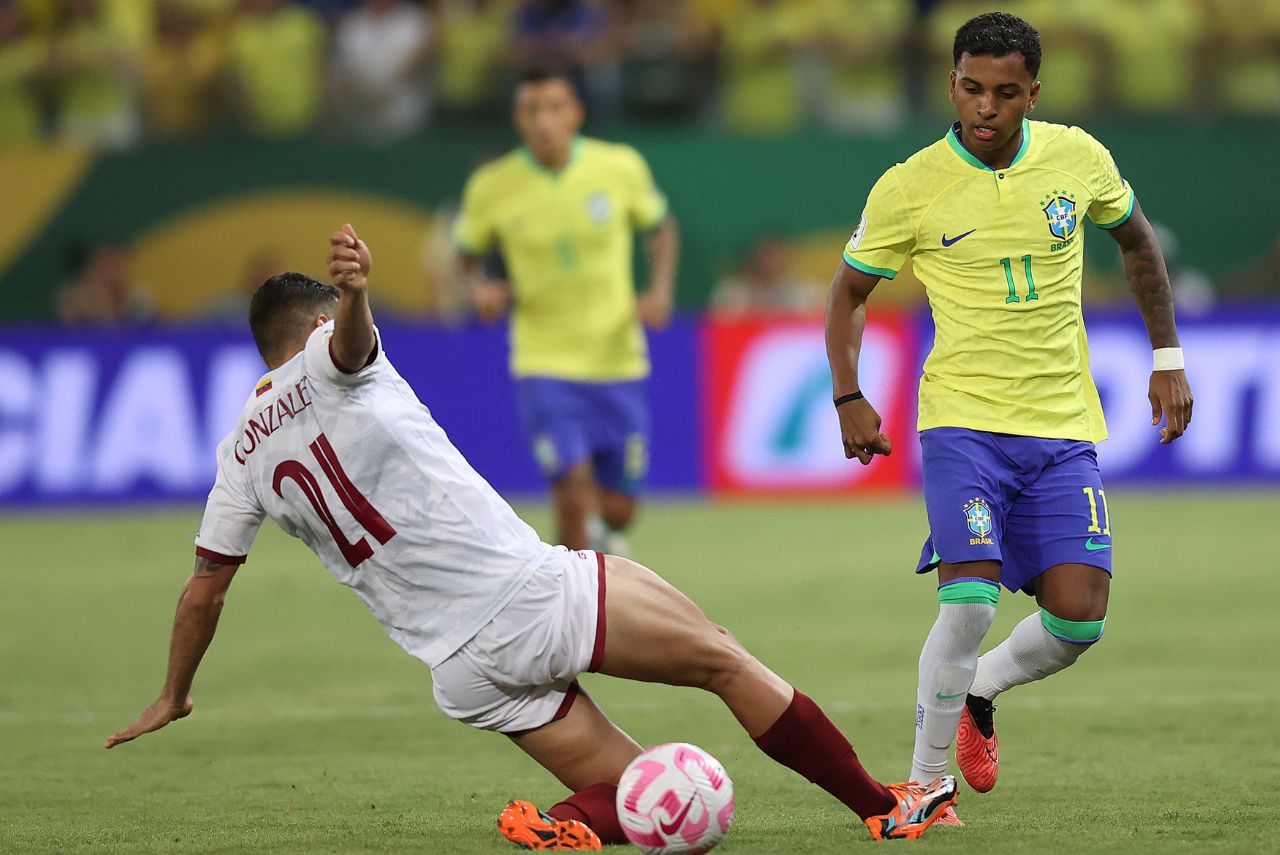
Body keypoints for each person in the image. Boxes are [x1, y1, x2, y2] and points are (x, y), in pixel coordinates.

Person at [103, 224, 958, 847]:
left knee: (634, 795)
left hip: (462, 668)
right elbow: (353, 344)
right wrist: (358, 294)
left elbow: (204, 588)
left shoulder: (238, 457)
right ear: (314, 325)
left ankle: (556, 826)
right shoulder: (335, 353)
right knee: (725, 660)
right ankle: (882, 806)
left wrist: (175, 690)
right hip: (529, 593)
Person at [824, 12, 1193, 825]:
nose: (984, 107)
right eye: (969, 88)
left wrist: (1167, 358)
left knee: (1077, 620)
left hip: (1063, 428)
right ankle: (924, 786)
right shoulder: (909, 184)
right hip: (961, 422)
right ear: (951, 82)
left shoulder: (1079, 158)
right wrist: (849, 394)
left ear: (1033, 92)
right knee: (970, 601)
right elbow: (849, 292)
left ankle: (982, 688)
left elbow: (1138, 245)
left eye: (1003, 92)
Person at [454, 69, 678, 555]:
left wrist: (659, 290)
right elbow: (466, 252)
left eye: (555, 108)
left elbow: (660, 229)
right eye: (533, 110)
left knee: (620, 509)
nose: (544, 122)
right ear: (519, 119)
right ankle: (572, 612)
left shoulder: (619, 167)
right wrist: (480, 289)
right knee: (571, 486)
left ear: (575, 113)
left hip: (617, 358)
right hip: (543, 361)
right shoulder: (492, 186)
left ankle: (604, 542)